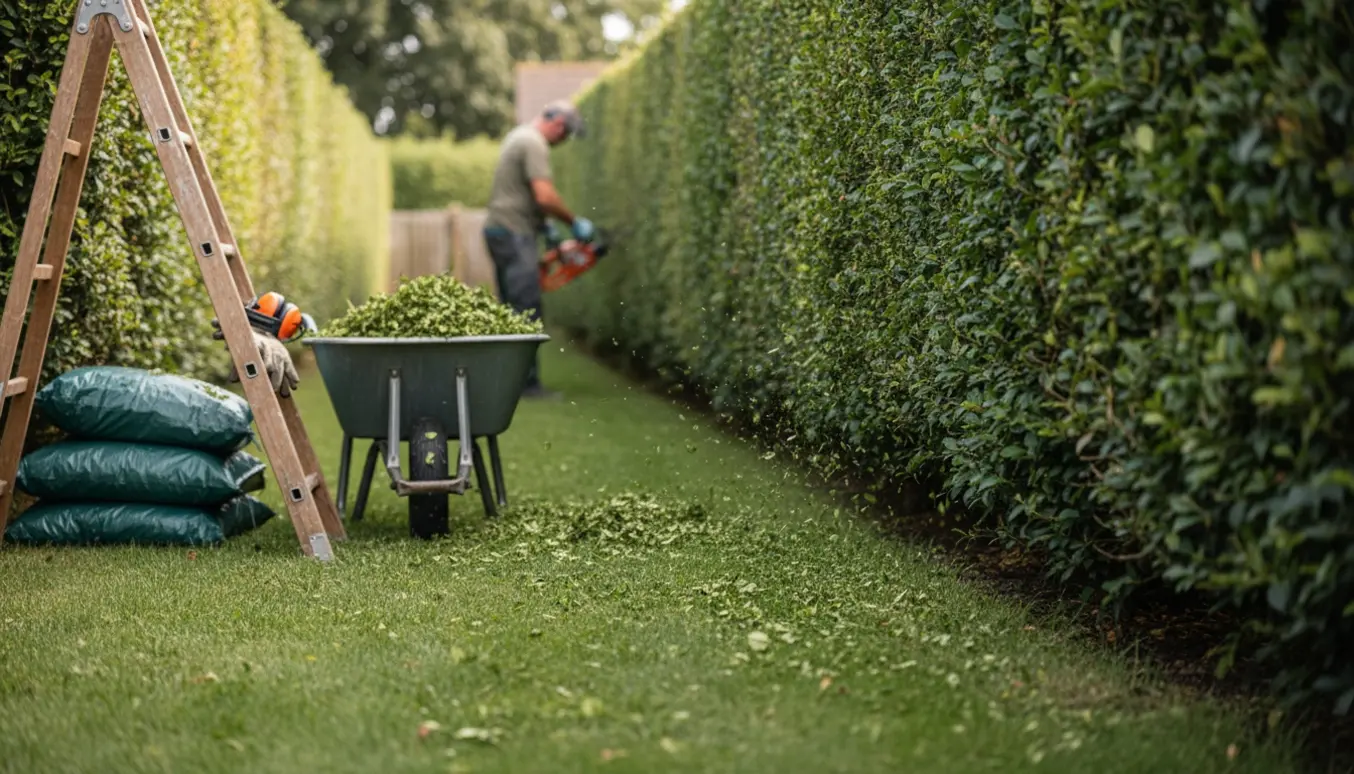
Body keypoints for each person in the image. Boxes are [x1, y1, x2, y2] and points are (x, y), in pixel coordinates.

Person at [482, 100, 595, 398]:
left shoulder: (517, 136)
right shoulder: (534, 144)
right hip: (513, 231)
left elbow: (521, 195)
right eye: (566, 134)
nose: (564, 140)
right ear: (558, 124)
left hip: (501, 229)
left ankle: (505, 379)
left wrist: (547, 229)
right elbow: (543, 196)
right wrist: (573, 222)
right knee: (526, 307)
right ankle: (526, 385)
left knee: (510, 307)